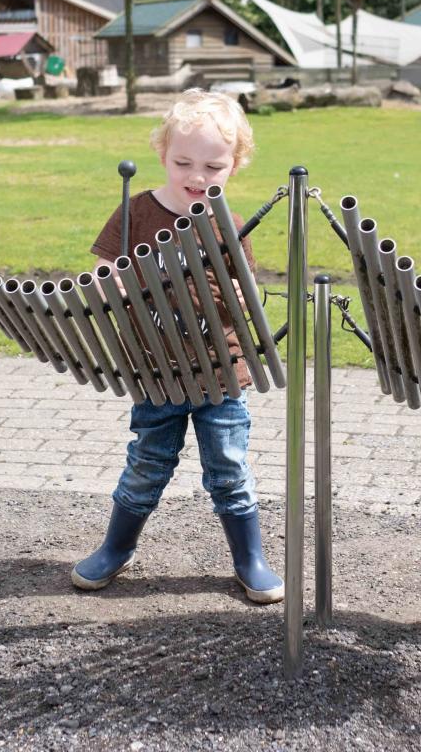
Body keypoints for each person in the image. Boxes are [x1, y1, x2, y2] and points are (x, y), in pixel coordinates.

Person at [72, 89, 283, 604]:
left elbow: (246, 298)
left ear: (235, 165)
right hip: (156, 372)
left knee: (229, 468)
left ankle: (250, 558)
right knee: (146, 464)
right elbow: (99, 276)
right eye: (183, 162)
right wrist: (111, 284)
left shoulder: (229, 225)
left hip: (221, 371)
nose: (197, 176)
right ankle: (116, 548)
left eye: (214, 166)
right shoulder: (136, 212)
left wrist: (239, 295)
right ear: (162, 154)